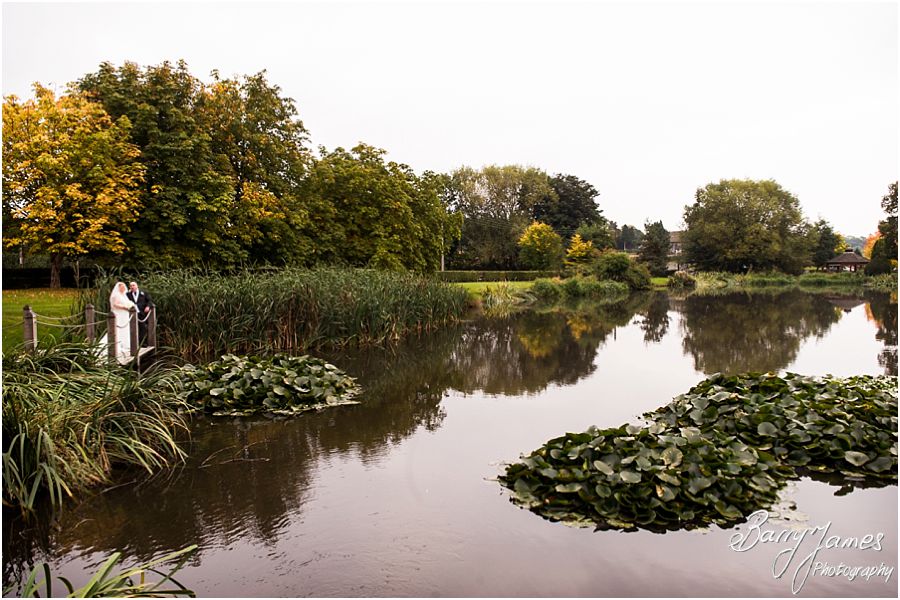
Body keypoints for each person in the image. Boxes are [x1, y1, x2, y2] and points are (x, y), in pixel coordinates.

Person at [109, 281, 137, 364]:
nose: (124, 288)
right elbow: (115, 304)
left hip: (125, 314)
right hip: (119, 313)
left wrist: (130, 305)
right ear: (119, 288)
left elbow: (128, 302)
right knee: (119, 328)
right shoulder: (115, 295)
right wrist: (125, 307)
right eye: (122, 287)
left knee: (125, 328)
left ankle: (126, 343)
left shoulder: (124, 295)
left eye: (124, 287)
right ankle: (117, 344)